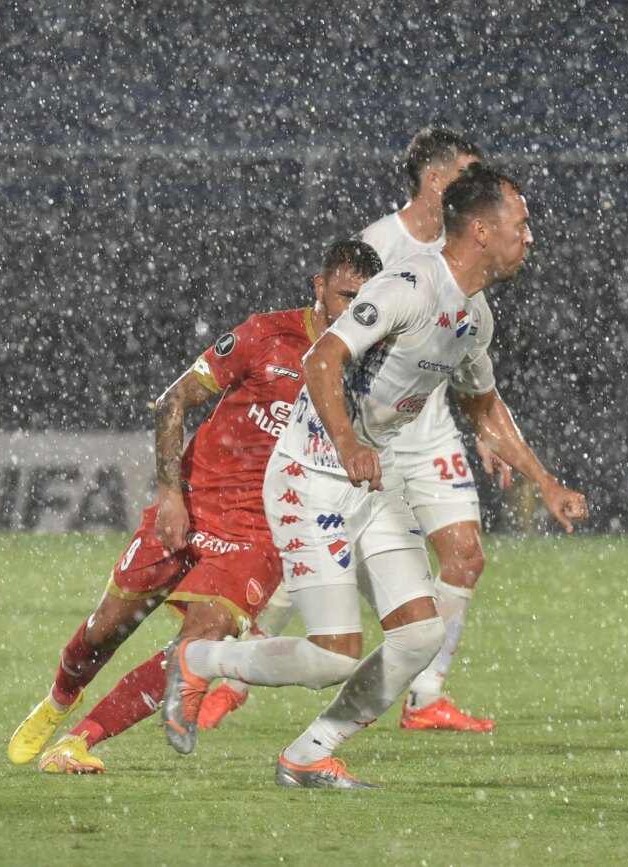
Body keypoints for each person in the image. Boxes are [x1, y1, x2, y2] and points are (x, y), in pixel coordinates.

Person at [162, 164, 589, 788]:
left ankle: (307, 755)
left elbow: (482, 406)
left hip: (369, 485)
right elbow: (322, 357)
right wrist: (345, 439)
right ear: (480, 230)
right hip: (309, 479)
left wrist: (544, 481)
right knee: (333, 655)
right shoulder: (408, 287)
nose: (530, 237)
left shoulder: (476, 317)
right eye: (520, 224)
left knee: (420, 635)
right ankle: (200, 661)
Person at [6, 241, 381, 774]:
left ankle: (78, 742)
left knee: (197, 646)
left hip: (260, 531)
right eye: (346, 295)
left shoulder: (369, 364)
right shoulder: (265, 335)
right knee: (102, 632)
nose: (355, 311)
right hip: (192, 503)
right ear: (318, 287)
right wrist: (169, 497)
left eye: (366, 301)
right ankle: (59, 700)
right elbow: (172, 400)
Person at [199, 126, 511, 734]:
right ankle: (234, 676)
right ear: (436, 180)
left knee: (465, 556)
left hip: (426, 427)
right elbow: (330, 347)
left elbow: (462, 355)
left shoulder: (468, 263)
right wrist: (333, 433)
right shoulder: (379, 246)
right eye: (469, 174)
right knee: (317, 568)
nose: (480, 188)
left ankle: (424, 698)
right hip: (362, 435)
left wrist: (487, 431)